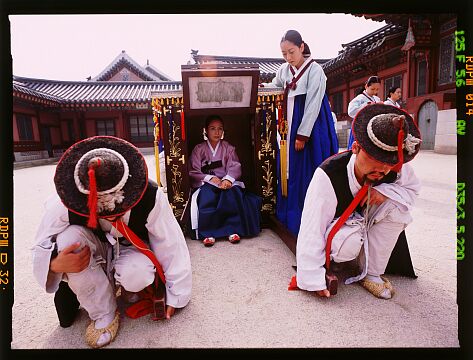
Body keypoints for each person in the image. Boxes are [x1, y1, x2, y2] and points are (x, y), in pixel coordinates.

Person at [32, 136, 192, 348]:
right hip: (92, 249)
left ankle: (128, 287)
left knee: (137, 273)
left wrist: (176, 294)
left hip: (132, 248)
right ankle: (103, 312)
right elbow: (41, 242)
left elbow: (170, 243)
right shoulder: (65, 201)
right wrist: (54, 265)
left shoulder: (150, 197)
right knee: (68, 240)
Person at [294, 103, 422, 300]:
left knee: (398, 209)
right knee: (348, 244)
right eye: (377, 160)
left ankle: (371, 273)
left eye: (389, 164)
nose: (383, 170)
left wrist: (386, 192)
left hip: (369, 219)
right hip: (340, 227)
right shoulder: (328, 174)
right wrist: (313, 277)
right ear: (356, 148)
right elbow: (312, 227)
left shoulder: (392, 169)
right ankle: (344, 258)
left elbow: (412, 190)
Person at [261, 29, 339, 237]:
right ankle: (288, 215)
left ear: (302, 47)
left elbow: (313, 104)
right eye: (284, 53)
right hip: (288, 124)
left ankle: (309, 221)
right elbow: (274, 87)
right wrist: (261, 88)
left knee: (307, 170)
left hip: (311, 127)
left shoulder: (316, 71)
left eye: (291, 52)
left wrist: (303, 135)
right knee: (289, 170)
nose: (288, 57)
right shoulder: (284, 70)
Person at [189, 115, 262, 247]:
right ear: (205, 130)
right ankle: (209, 233)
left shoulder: (228, 148)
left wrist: (228, 179)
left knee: (231, 194)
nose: (217, 132)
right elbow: (194, 171)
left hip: (225, 182)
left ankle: (232, 230)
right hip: (207, 182)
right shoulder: (198, 149)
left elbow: (235, 165)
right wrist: (209, 178)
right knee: (207, 196)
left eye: (220, 129)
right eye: (212, 128)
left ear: (223, 131)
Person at [346, 75, 382, 149]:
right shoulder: (359, 99)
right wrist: (367, 105)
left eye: (377, 89)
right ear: (366, 86)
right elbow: (351, 111)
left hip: (373, 126)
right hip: (360, 127)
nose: (375, 92)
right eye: (372, 89)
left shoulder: (377, 99)